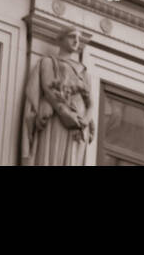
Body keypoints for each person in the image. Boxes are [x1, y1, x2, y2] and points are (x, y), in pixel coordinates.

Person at [21, 26, 95, 165]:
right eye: (72, 36)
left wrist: (84, 120)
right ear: (60, 39)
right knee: (53, 156)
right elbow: (49, 89)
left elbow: (90, 103)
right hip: (58, 119)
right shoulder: (49, 62)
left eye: (78, 39)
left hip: (77, 124)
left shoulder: (84, 72)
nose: (76, 41)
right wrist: (65, 113)